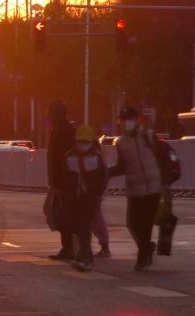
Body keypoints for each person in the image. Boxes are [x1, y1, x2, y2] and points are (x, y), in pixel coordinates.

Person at [109, 107, 162, 271]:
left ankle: (142, 257)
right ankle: (147, 247)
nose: (126, 123)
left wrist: (166, 182)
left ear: (136, 119)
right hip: (135, 189)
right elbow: (122, 166)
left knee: (145, 224)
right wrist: (105, 172)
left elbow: (162, 159)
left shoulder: (149, 136)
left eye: (129, 119)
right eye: (123, 120)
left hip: (153, 188)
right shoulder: (121, 142)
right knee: (132, 224)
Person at [61, 125, 108, 271]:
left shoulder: (96, 157)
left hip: (90, 198)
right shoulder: (69, 156)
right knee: (76, 226)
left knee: (85, 226)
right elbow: (64, 175)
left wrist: (96, 193)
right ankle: (85, 255)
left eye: (85, 142)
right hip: (74, 197)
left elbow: (103, 177)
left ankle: (85, 257)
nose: (82, 145)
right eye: (79, 141)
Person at [46, 100, 76, 261]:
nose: (49, 116)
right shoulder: (57, 129)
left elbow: (66, 157)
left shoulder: (66, 130)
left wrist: (65, 178)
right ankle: (69, 247)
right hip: (58, 181)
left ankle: (70, 248)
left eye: (51, 113)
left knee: (63, 216)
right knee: (56, 214)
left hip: (65, 181)